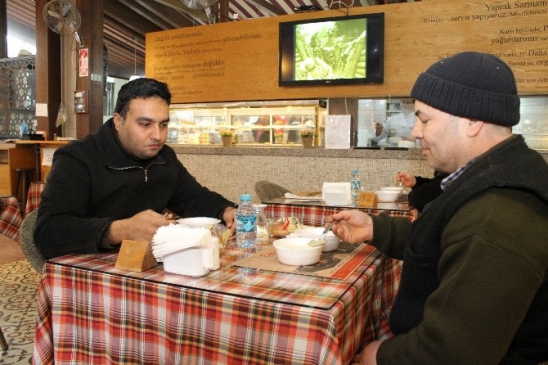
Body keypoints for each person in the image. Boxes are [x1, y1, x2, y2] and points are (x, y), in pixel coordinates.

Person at [329, 52, 548, 364]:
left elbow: (455, 350)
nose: (416, 132)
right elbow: (447, 237)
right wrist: (375, 228)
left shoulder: (496, 214)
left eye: (425, 119)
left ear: (472, 121)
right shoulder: (493, 176)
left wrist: (381, 355)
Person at [34, 78, 237, 259]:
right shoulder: (77, 158)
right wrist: (119, 230)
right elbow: (48, 234)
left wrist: (226, 210)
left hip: (144, 265)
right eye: (145, 124)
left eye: (163, 125)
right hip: (86, 272)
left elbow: (195, 199)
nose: (157, 135)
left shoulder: (164, 157)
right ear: (118, 121)